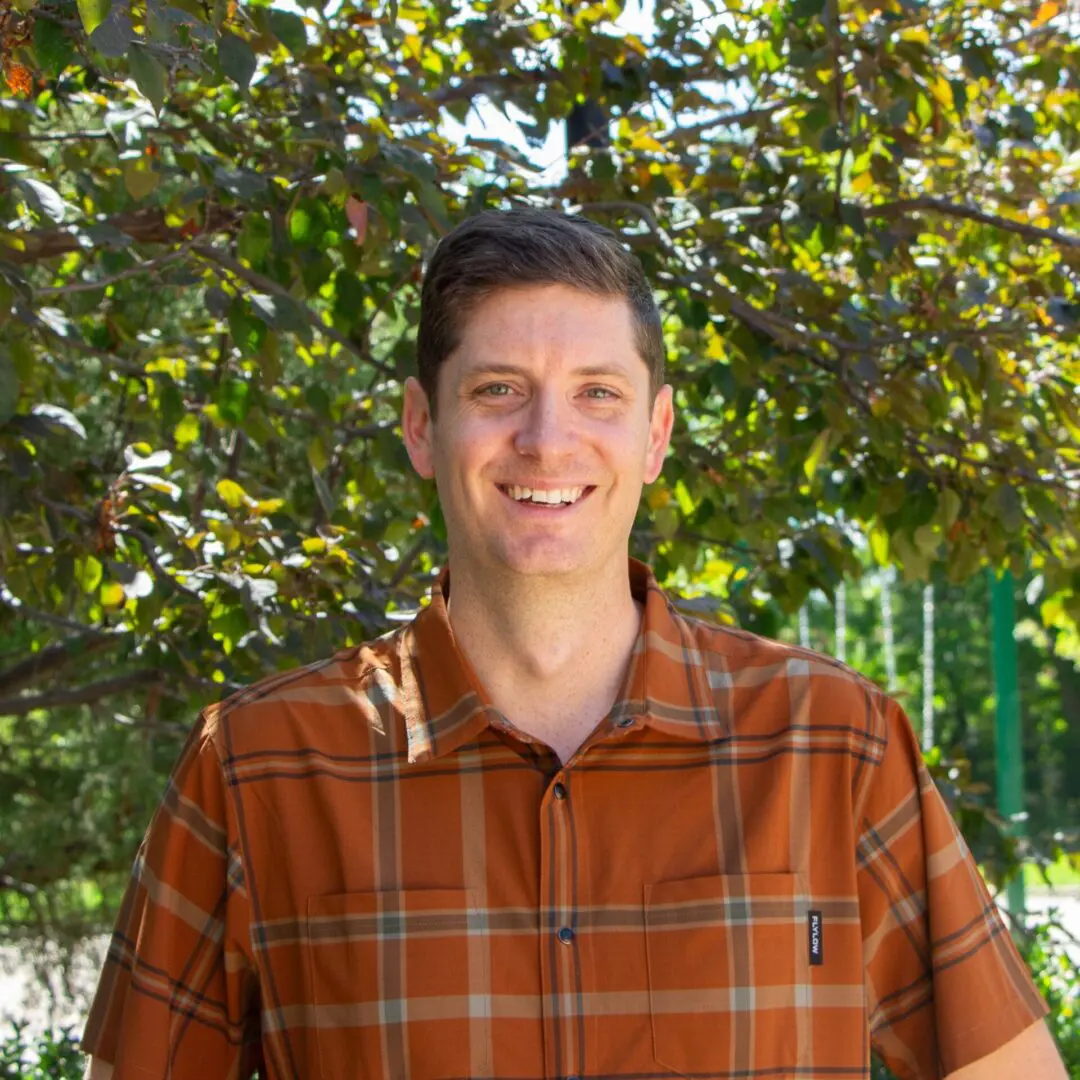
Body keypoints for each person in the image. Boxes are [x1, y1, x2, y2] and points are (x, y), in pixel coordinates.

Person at [82, 208, 1064, 1080]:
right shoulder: (257, 771)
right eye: (499, 389)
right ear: (423, 428)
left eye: (597, 392)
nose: (549, 439)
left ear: (655, 433)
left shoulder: (831, 745)